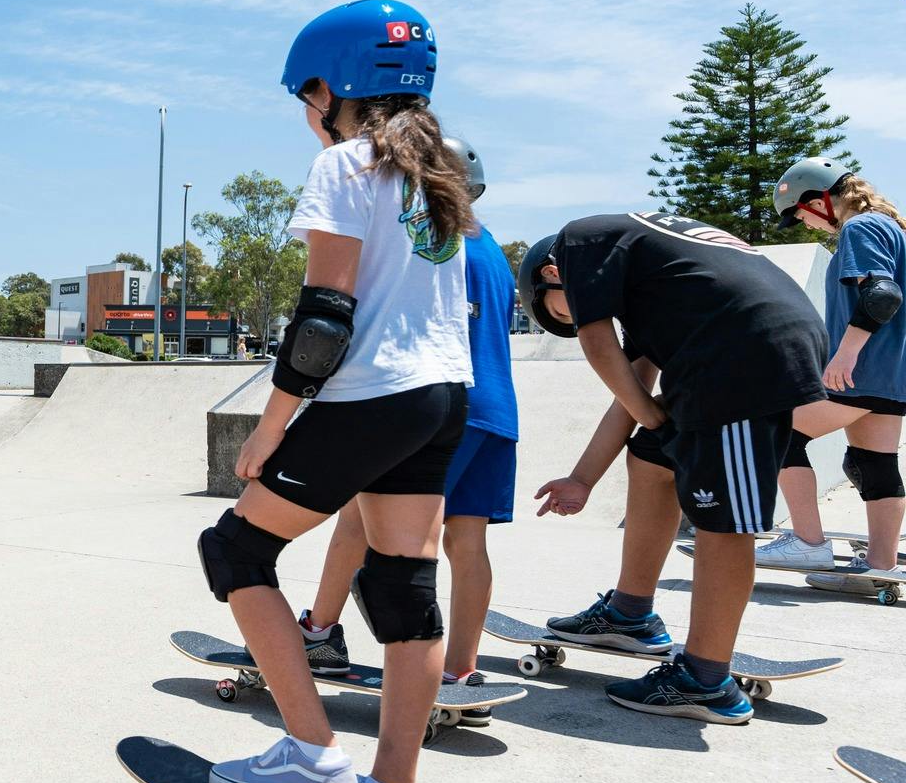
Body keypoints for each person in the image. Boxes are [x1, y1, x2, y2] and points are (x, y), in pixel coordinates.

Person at [198, 0, 473, 783]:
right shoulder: (438, 174)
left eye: (305, 97)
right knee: (403, 588)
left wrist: (270, 426)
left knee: (236, 551)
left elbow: (324, 318)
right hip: (441, 397)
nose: (306, 116)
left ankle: (313, 756)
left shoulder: (347, 165)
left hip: (372, 396)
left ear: (331, 88)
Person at [520, 211, 827, 724]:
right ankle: (629, 613)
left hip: (744, 354)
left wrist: (652, 417)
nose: (574, 322)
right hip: (738, 341)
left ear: (552, 274)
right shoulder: (654, 284)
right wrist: (583, 478)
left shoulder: (580, 240)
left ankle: (705, 680)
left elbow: (598, 347)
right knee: (651, 457)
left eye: (561, 313)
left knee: (724, 522)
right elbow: (631, 394)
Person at [298, 141, 517, 715]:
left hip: (442, 400)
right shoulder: (492, 248)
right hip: (497, 410)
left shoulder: (435, 243)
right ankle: (461, 670)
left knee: (357, 518)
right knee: (468, 541)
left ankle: (318, 635)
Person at [758, 159, 906, 579]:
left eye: (799, 214)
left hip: (862, 370)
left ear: (819, 199)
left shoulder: (860, 227)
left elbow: (882, 296)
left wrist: (844, 354)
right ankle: (881, 564)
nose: (804, 224)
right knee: (872, 464)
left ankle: (808, 543)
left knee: (775, 431)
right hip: (891, 375)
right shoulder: (892, 229)